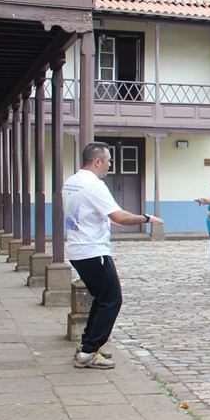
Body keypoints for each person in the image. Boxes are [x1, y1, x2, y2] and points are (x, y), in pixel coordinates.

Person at [64, 142, 163, 369]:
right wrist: (146, 218)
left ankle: (88, 345)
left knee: (101, 299)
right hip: (93, 250)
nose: (110, 164)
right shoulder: (93, 185)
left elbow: (82, 213)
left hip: (78, 248)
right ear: (97, 161)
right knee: (112, 300)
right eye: (108, 160)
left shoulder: (72, 182)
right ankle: (88, 352)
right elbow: (120, 216)